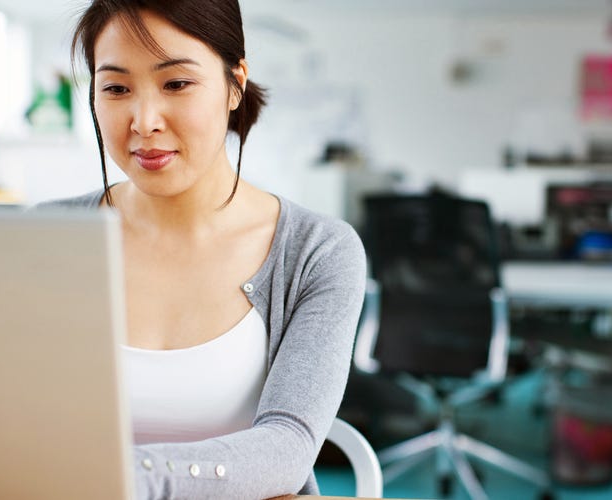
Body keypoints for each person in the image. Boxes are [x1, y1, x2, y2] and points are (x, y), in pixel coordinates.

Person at [36, 1, 367, 498]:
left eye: (176, 84)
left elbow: (286, 449)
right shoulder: (45, 236)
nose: (144, 121)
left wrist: (124, 478)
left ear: (235, 84)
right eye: (117, 88)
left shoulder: (316, 251)